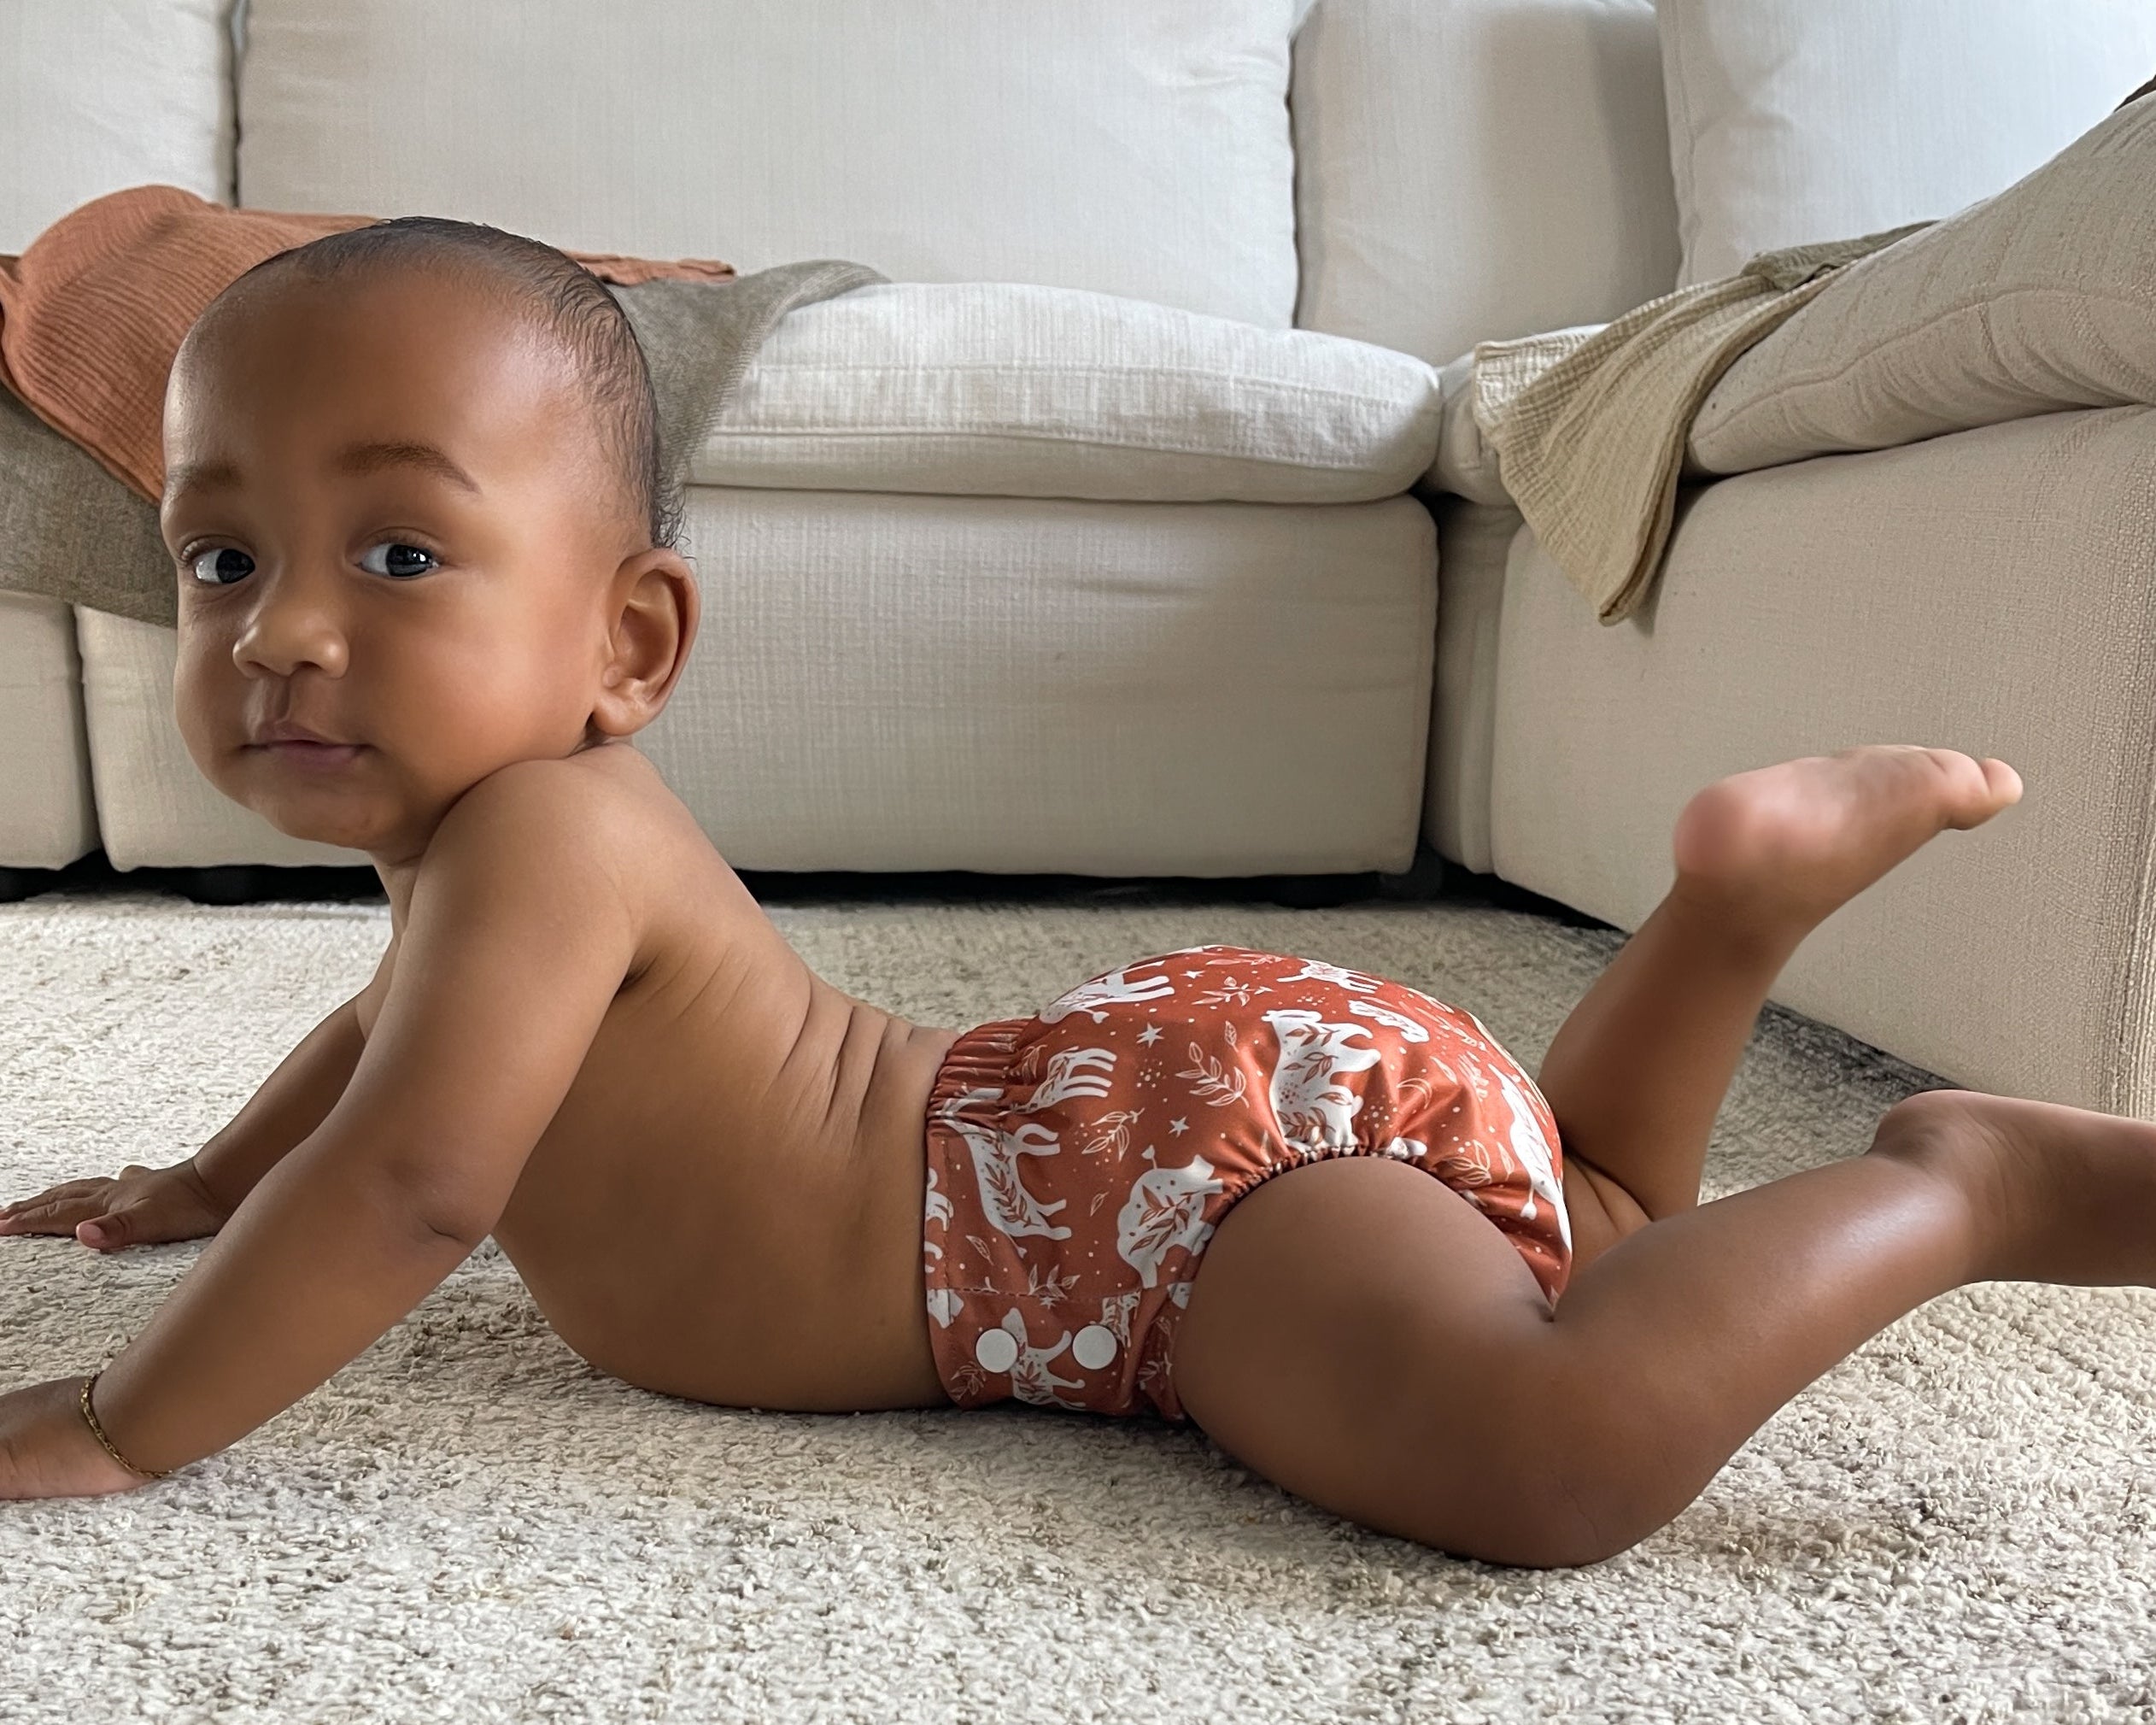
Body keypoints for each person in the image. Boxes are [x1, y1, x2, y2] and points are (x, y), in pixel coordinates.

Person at [3, 220, 2149, 1570]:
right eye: (221, 559)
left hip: (1122, 1212)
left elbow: (406, 1183)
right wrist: (204, 1170)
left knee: (1544, 1444)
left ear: (627, 647)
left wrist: (127, 1417)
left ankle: (1963, 1187)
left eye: (395, 555)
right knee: (1584, 1237)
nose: (282, 630)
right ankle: (1727, 915)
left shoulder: (545, 834)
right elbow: (385, 1049)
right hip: (1128, 1121)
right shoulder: (491, 871)